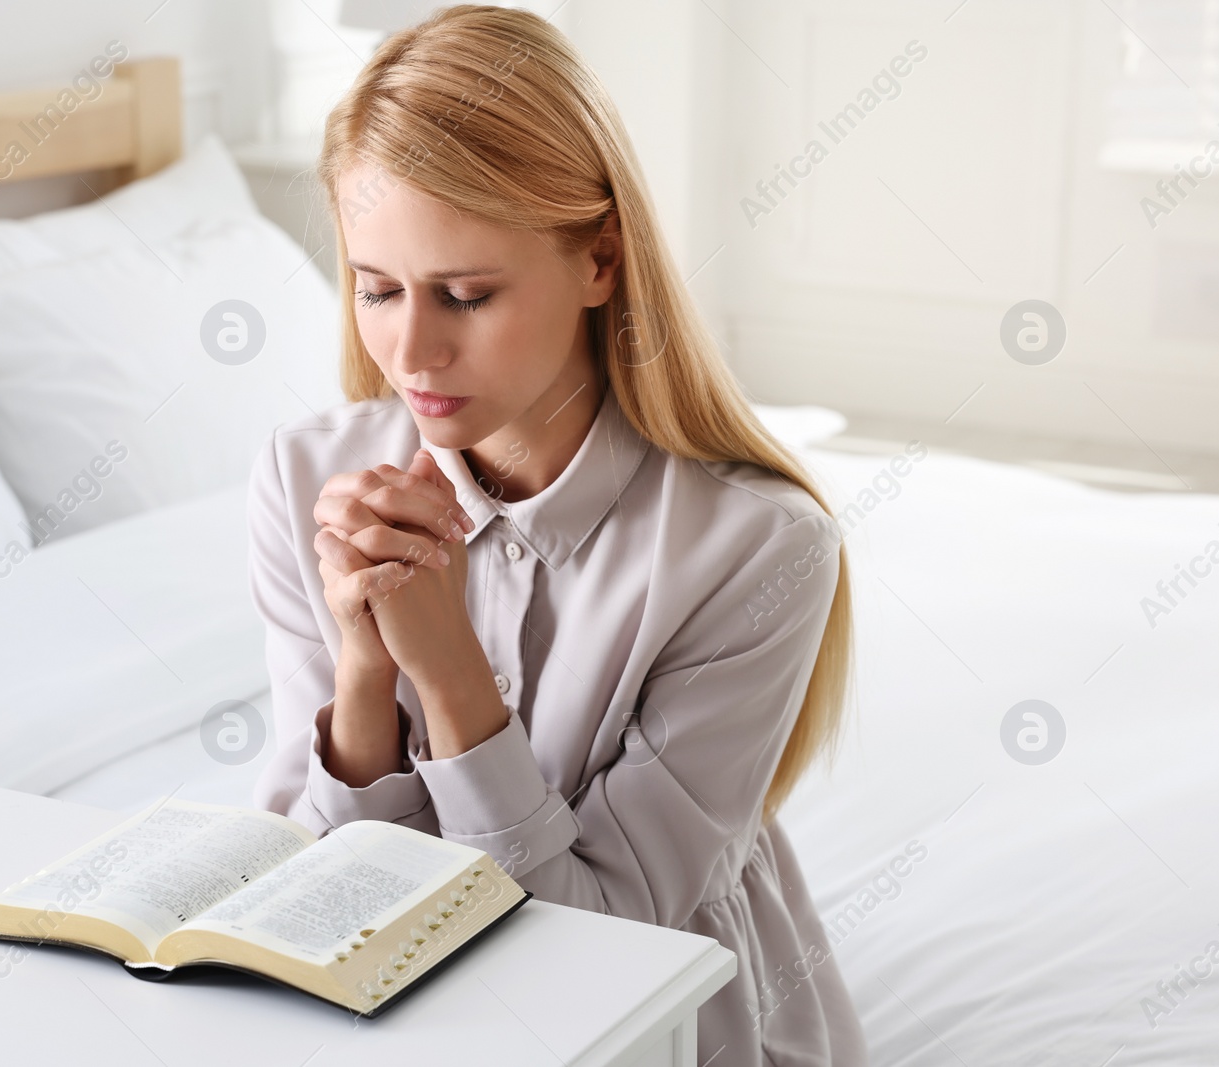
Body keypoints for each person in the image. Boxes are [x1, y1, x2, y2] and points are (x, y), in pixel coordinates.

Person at [246, 6, 866, 1063]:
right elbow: (318, 884)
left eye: (467, 293)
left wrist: (446, 677)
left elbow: (590, 949)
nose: (411, 348)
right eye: (377, 289)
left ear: (600, 262)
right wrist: (362, 672)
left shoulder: (759, 550)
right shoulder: (307, 475)